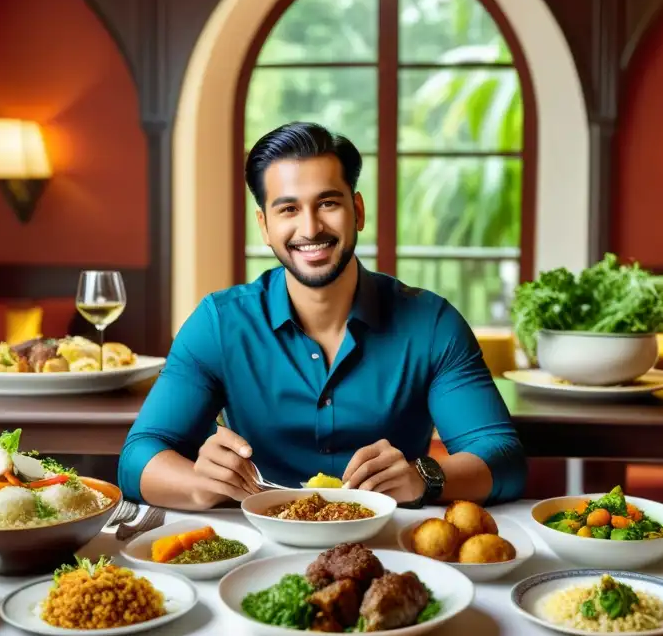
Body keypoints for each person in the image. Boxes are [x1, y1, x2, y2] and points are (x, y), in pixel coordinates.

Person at [119, 122, 527, 509]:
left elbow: (502, 457)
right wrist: (199, 486)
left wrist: (424, 476)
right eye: (288, 209)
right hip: (259, 540)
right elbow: (138, 457)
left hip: (391, 546)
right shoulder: (219, 323)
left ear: (357, 210)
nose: (310, 228)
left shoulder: (432, 323)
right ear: (264, 225)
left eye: (328, 203)